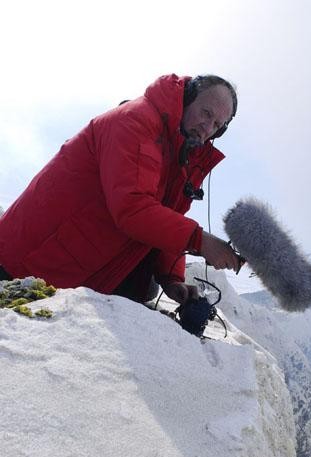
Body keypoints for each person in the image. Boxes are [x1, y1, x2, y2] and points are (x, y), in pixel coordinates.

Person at [0, 73, 240, 305]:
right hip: (25, 262)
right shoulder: (136, 121)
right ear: (187, 99)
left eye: (217, 124)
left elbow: (168, 216)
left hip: (74, 262)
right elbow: (132, 207)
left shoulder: (179, 151)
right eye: (205, 113)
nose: (207, 126)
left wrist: (171, 278)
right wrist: (201, 240)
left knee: (146, 288)